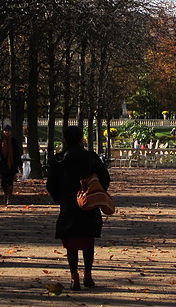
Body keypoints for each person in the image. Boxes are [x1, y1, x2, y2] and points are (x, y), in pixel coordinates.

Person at [46, 125, 110, 291]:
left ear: (65, 140)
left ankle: (74, 278)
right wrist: (96, 192)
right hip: (87, 200)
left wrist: (59, 198)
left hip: (68, 202)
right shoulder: (90, 157)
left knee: (71, 241)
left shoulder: (58, 159)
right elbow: (104, 178)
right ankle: (88, 276)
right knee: (88, 238)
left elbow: (51, 184)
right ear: (82, 139)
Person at [0, 125, 22, 205]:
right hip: (2, 163)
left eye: (8, 130)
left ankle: (9, 196)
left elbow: (17, 153)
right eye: (5, 130)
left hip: (11, 163)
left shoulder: (14, 141)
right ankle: (5, 194)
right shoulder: (0, 141)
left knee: (10, 181)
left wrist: (19, 164)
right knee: (3, 181)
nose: (7, 132)